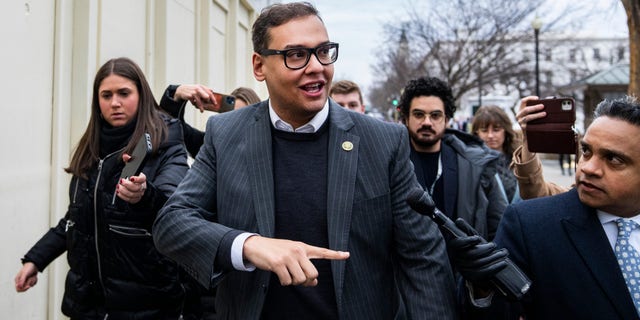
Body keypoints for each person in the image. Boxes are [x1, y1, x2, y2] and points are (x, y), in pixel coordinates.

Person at [152, 2, 457, 319]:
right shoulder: (225, 134)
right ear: (259, 66)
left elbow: (423, 260)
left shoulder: (383, 142)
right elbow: (172, 223)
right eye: (296, 55)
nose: (316, 66)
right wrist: (248, 246)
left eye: (323, 51)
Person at [14, 57, 198, 319]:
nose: (115, 103)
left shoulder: (165, 143)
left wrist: (144, 196)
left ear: (142, 95)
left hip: (148, 307)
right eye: (106, 95)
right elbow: (75, 219)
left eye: (124, 93)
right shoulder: (91, 150)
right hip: (88, 307)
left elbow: (173, 208)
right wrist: (36, 260)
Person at [459, 96, 640, 319]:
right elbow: (496, 311)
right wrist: (481, 286)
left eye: (613, 158)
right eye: (586, 151)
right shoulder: (531, 225)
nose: (589, 168)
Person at [397, 76, 508, 241]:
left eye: (435, 115)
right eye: (419, 114)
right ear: (406, 118)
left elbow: (499, 228)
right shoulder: (392, 162)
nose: (427, 122)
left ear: (447, 119)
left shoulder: (475, 165)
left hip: (463, 264)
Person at [160, 84, 261, 157]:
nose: (239, 124)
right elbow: (173, 130)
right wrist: (176, 94)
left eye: (244, 117)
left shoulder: (269, 152)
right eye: (234, 117)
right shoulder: (212, 149)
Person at [510, 96, 571, 199]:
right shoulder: (579, 196)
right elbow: (535, 192)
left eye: (608, 157)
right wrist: (528, 135)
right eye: (586, 151)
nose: (589, 168)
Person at [471, 105, 522, 204]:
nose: (490, 135)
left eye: (496, 130)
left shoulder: (520, 159)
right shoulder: (470, 164)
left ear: (505, 130)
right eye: (484, 130)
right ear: (477, 132)